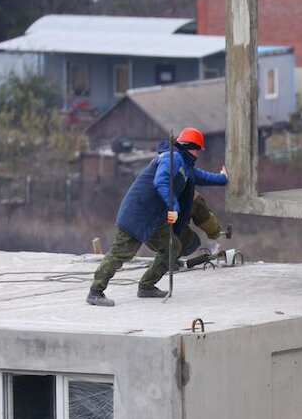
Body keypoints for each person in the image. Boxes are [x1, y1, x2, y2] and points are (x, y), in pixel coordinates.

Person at [87, 127, 227, 306]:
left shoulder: (184, 164)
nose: (198, 152)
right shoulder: (172, 158)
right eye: (197, 148)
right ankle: (95, 291)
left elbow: (202, 177)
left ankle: (146, 286)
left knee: (172, 248)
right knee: (121, 253)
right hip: (137, 214)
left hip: (154, 219)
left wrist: (222, 179)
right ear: (190, 146)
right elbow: (160, 180)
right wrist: (174, 206)